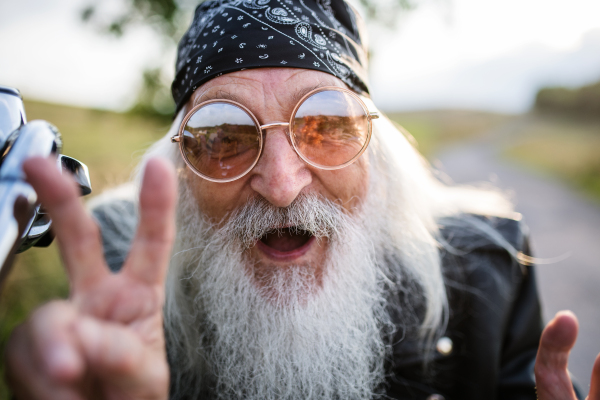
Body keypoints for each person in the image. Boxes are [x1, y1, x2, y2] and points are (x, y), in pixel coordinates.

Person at [5, 0, 600, 398]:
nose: (283, 184)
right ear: (181, 172)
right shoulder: (127, 271)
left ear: (375, 152)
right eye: (224, 138)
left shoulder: (487, 265)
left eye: (325, 124)